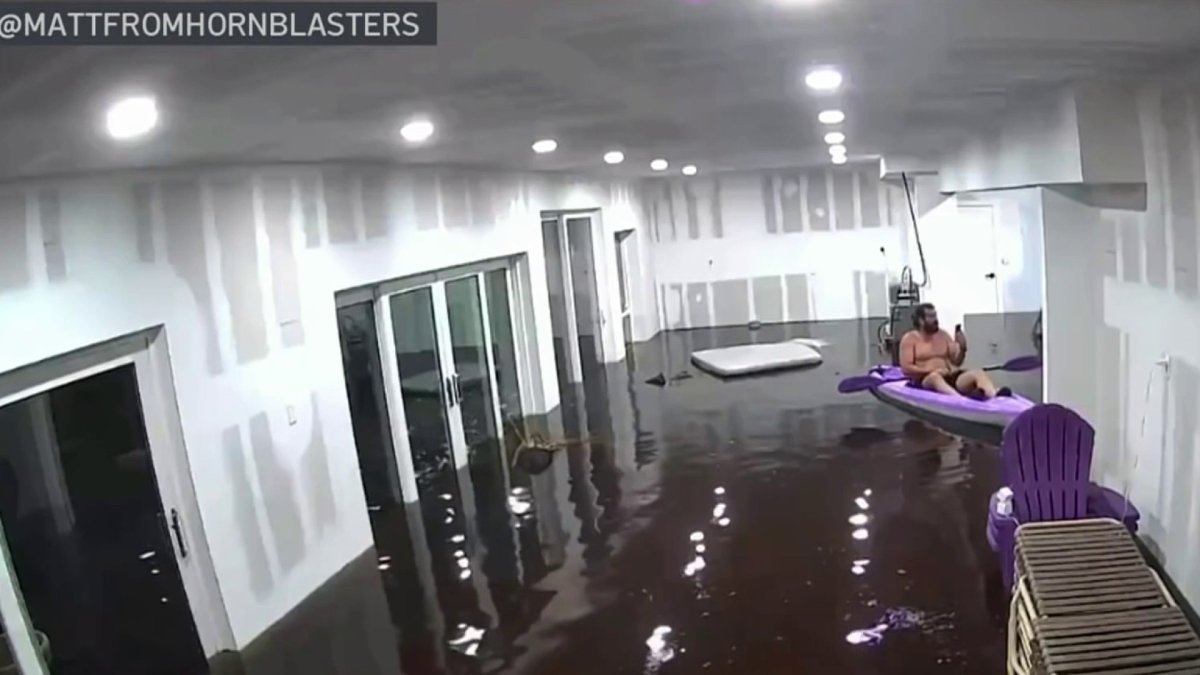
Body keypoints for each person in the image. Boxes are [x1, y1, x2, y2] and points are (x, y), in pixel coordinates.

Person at [899, 303, 1009, 399]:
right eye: (931, 316)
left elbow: (956, 362)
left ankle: (992, 394)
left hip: (950, 378)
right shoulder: (910, 339)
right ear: (920, 320)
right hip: (925, 381)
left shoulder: (943, 335)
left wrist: (962, 348)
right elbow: (906, 369)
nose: (935, 320)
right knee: (934, 378)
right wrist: (931, 370)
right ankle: (959, 399)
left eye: (935, 315)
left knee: (978, 373)